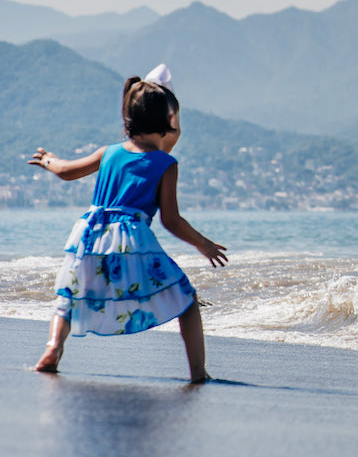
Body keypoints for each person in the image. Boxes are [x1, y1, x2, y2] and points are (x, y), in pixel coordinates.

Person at [28, 65, 228, 382]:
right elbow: (171, 220)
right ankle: (199, 373)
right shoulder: (165, 163)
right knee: (187, 301)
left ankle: (53, 347)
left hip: (89, 233)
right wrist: (202, 243)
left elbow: (66, 170)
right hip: (131, 238)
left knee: (69, 296)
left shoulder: (108, 153)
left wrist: (48, 160)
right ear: (167, 123)